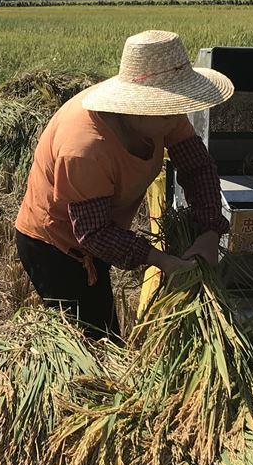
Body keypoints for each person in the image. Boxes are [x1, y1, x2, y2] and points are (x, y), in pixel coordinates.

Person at [15, 30, 234, 337]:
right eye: (167, 110)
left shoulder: (163, 116)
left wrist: (211, 231)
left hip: (98, 233)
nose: (177, 118)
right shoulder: (85, 149)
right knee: (87, 340)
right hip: (56, 245)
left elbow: (197, 167)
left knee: (103, 328)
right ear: (135, 106)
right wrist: (159, 260)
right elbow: (94, 232)